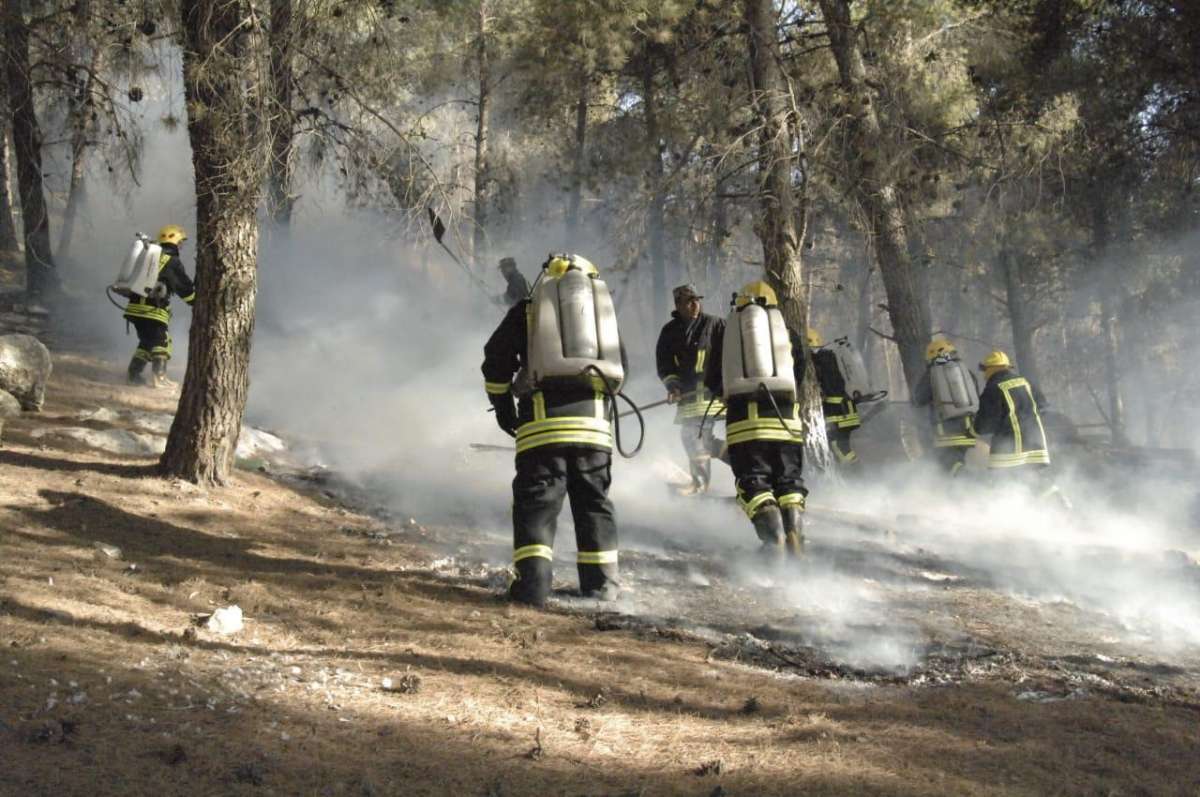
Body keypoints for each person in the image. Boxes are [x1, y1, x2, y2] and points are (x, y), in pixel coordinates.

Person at [482, 253, 626, 607]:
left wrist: (503, 409)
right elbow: (622, 369)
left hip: (542, 430)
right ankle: (602, 589)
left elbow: (495, 360)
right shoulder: (600, 317)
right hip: (594, 432)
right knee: (594, 505)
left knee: (538, 507)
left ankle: (532, 588)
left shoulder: (529, 310)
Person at [704, 281, 808, 559]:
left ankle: (773, 540)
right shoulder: (789, 334)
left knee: (754, 482)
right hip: (787, 424)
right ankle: (795, 532)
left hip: (746, 425)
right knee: (789, 481)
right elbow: (800, 376)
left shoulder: (728, 336)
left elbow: (713, 379)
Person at [655, 284, 726, 493]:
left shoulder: (716, 325)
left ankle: (701, 485)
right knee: (704, 441)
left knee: (693, 437)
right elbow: (665, 364)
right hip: (687, 398)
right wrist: (673, 386)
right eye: (689, 301)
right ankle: (740, 460)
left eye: (697, 300)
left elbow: (729, 357)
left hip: (710, 396)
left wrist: (722, 384)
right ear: (678, 305)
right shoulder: (669, 331)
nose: (695, 304)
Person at [123, 224, 195, 388]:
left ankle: (133, 375)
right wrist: (196, 302)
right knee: (162, 342)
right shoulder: (172, 261)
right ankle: (159, 378)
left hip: (134, 307)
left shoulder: (151, 256)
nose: (181, 245)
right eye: (181, 242)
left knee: (147, 342)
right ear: (175, 241)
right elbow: (185, 288)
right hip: (152, 310)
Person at [973, 350, 1051, 475]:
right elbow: (1043, 408)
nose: (984, 376)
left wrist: (972, 429)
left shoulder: (993, 389)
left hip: (1009, 453)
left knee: (1004, 486)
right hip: (1036, 447)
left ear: (990, 370)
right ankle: (1056, 495)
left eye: (985, 370)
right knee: (1034, 483)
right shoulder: (1026, 382)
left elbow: (985, 425)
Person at [912, 338, 978, 476]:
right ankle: (960, 492)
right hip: (968, 430)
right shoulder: (967, 373)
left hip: (946, 433)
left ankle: (973, 482)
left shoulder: (932, 375)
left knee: (949, 465)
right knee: (954, 463)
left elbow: (918, 399)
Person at [807, 328, 862, 466]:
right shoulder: (830, 356)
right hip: (845, 409)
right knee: (842, 449)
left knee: (839, 449)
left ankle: (860, 481)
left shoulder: (819, 359)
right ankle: (859, 478)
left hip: (837, 413)